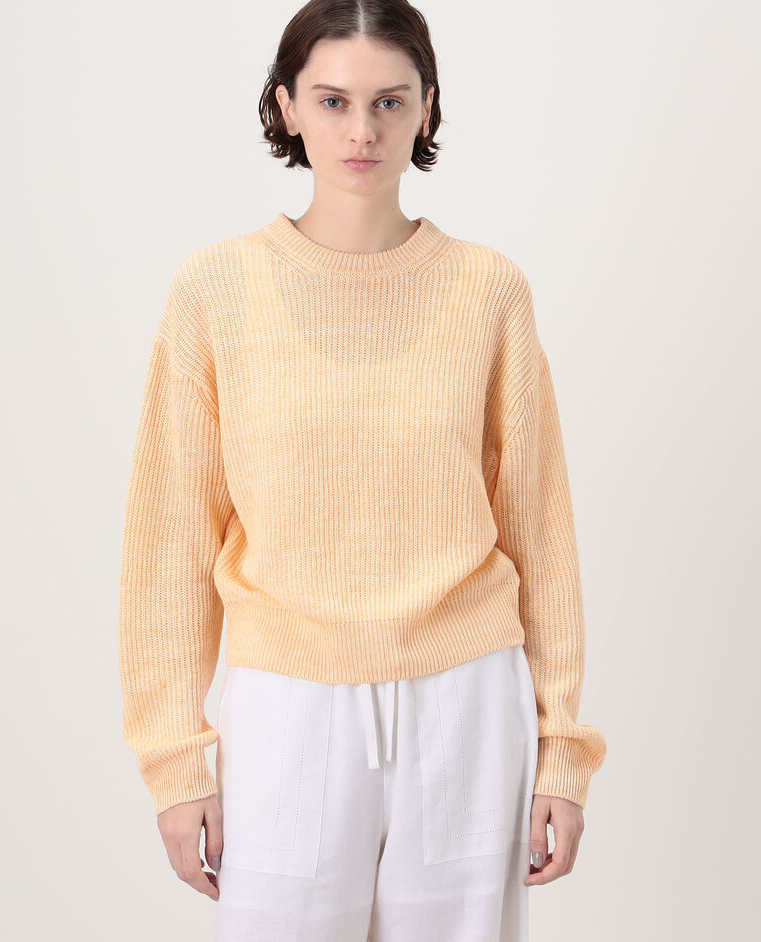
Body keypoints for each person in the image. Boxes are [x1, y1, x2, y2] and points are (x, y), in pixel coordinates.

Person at [117, 1, 607, 939]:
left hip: (465, 699)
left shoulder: (487, 291)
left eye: (389, 101)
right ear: (287, 107)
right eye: (333, 100)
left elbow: (539, 529)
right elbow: (169, 541)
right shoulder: (215, 291)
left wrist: (560, 750)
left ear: (426, 107)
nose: (361, 131)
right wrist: (176, 765)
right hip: (286, 705)